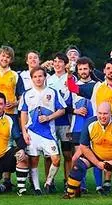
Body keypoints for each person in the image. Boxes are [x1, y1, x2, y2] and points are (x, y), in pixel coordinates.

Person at [19, 66, 66, 195]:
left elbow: (62, 110)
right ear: (31, 79)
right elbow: (23, 114)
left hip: (48, 133)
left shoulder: (52, 92)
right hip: (32, 133)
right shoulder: (27, 94)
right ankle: (37, 187)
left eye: (40, 76)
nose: (38, 79)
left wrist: (49, 117)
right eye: (35, 77)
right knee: (34, 160)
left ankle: (48, 182)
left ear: (45, 77)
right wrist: (24, 132)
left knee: (56, 159)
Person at [0, 45, 25, 191]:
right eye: (3, 56)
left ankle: (7, 179)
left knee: (9, 143)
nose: (5, 58)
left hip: (11, 113)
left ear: (11, 59)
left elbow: (22, 96)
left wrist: (15, 102)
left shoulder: (15, 75)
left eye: (8, 57)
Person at [0, 92, 29, 195]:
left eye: (0, 104)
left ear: (4, 105)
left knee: (22, 155)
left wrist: (22, 149)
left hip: (4, 156)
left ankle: (21, 189)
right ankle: (1, 186)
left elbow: (18, 137)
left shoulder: (9, 119)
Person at [69, 57, 102, 194]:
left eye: (85, 68)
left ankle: (99, 186)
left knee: (97, 154)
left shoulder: (97, 85)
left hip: (93, 124)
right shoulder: (72, 84)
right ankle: (80, 186)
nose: (83, 71)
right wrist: (76, 111)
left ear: (90, 69)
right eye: (80, 69)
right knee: (78, 156)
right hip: (78, 126)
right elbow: (66, 106)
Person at [46, 52, 74, 193]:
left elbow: (71, 98)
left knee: (68, 153)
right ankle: (48, 183)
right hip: (50, 123)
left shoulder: (69, 78)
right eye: (55, 61)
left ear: (65, 64)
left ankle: (68, 182)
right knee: (49, 155)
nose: (57, 64)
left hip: (65, 121)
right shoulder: (48, 79)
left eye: (60, 61)